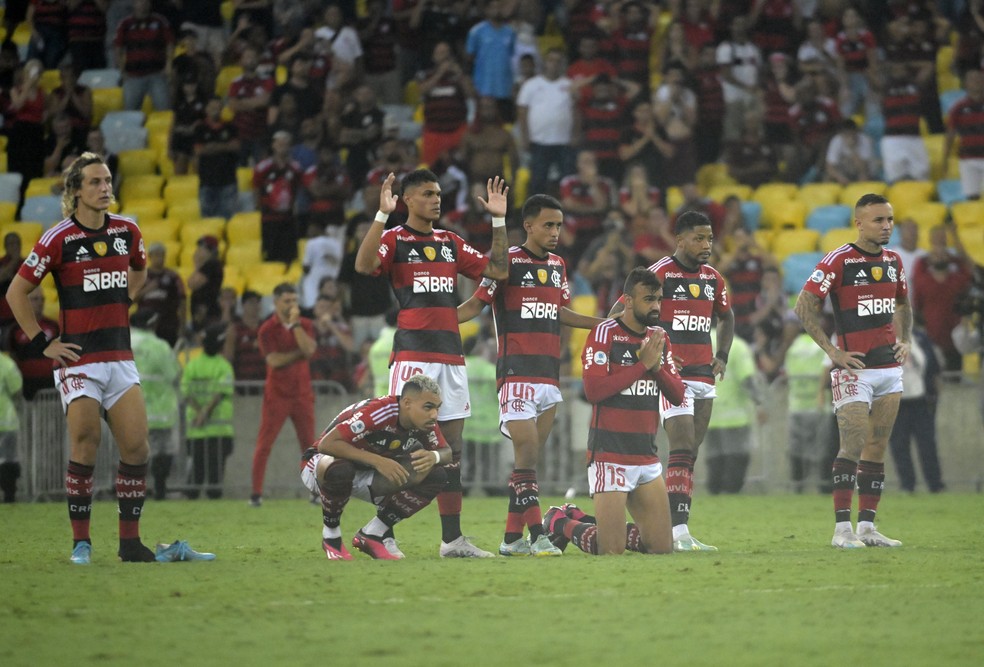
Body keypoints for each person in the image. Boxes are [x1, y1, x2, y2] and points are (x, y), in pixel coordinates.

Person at [5, 152, 158, 564]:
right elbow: (16, 293)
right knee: (86, 444)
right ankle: (81, 543)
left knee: (137, 450)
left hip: (119, 358)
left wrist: (128, 296)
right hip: (80, 361)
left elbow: (140, 270)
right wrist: (43, 343)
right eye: (94, 181)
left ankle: (129, 543)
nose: (105, 187)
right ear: (75, 191)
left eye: (107, 180)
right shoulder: (58, 238)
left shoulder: (127, 231)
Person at [355, 169, 509, 558]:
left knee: (452, 448)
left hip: (451, 359)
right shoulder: (395, 239)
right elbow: (363, 265)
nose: (436, 199)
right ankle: (380, 529)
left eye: (438, 193)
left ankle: (452, 540)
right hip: (413, 357)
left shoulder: (449, 242)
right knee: (406, 445)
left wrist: (498, 220)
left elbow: (499, 270)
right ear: (407, 200)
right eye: (427, 193)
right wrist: (380, 215)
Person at [457, 194, 601, 556]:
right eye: (548, 225)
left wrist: (605, 324)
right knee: (527, 451)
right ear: (529, 226)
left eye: (558, 225)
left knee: (527, 464)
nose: (555, 232)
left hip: (548, 376)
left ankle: (510, 540)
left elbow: (560, 311)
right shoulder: (508, 264)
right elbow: (477, 303)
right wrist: (435, 322)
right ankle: (538, 535)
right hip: (516, 372)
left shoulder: (557, 265)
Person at [794, 193, 911, 548]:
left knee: (877, 446)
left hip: (889, 368)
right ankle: (841, 530)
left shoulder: (893, 260)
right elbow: (804, 307)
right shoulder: (838, 260)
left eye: (889, 219)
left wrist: (905, 339)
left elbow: (903, 304)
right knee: (853, 443)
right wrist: (833, 352)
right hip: (853, 370)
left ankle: (867, 528)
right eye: (878, 220)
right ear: (859, 223)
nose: (886, 226)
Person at [542, 267, 684, 556]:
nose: (655, 306)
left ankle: (579, 518)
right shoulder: (604, 333)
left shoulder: (659, 337)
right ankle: (558, 521)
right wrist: (642, 366)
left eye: (658, 299)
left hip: (646, 456)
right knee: (611, 551)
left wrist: (655, 366)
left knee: (661, 548)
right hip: (609, 456)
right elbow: (593, 392)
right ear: (628, 300)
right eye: (648, 299)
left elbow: (678, 395)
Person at [619, 210, 734, 551]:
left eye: (710, 239)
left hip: (703, 374)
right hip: (670, 374)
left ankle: (669, 526)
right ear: (680, 240)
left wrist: (723, 355)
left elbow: (727, 318)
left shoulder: (713, 279)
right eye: (699, 238)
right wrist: (656, 351)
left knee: (689, 452)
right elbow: (621, 316)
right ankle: (677, 532)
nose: (706, 245)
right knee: (682, 445)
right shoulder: (658, 274)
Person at [299, 374, 451, 560]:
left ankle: (372, 534)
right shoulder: (380, 411)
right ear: (407, 403)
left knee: (436, 475)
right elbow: (326, 445)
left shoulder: (424, 423)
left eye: (437, 408)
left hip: (366, 472)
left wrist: (433, 456)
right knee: (340, 468)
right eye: (428, 407)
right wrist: (378, 461)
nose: (434, 414)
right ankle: (331, 537)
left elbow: (446, 452)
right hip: (320, 466)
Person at [249, 283, 316, 506]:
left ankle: (315, 492)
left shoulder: (304, 324)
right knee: (264, 444)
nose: (292, 305)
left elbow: (309, 350)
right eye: (287, 301)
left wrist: (295, 325)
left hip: (302, 394)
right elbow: (274, 361)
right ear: (275, 302)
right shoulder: (266, 329)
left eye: (294, 300)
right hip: (276, 395)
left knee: (310, 446)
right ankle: (256, 494)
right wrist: (298, 354)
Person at [889, 320, 945, 493]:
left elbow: (933, 367)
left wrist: (935, 394)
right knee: (899, 445)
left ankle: (935, 484)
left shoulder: (919, 338)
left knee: (927, 444)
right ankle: (907, 484)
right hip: (895, 402)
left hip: (920, 401)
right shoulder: (884, 341)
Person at [129, 311, 180, 501]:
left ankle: (132, 490)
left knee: (131, 451)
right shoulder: (159, 346)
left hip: (128, 410)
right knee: (162, 450)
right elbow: (173, 374)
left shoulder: (123, 344)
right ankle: (159, 488)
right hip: (160, 411)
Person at [181, 323, 235, 499]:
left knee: (196, 475)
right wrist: (205, 413)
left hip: (196, 429)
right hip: (219, 430)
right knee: (214, 479)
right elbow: (219, 394)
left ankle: (190, 513)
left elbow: (186, 392)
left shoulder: (193, 365)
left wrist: (199, 413)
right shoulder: (224, 366)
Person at [702, 334, 759, 495]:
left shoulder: (703, 340)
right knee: (737, 457)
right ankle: (732, 493)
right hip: (734, 415)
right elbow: (747, 378)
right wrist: (759, 402)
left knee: (714, 458)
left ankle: (714, 492)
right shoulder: (737, 345)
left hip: (709, 413)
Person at [113, 0, 174, 111]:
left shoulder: (160, 21)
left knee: (164, 110)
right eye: (139, 1)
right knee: (130, 113)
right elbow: (118, 49)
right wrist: (122, 71)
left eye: (145, 1)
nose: (142, 4)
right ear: (134, 4)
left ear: (149, 4)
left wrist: (168, 65)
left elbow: (169, 43)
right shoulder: (125, 23)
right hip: (133, 76)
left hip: (157, 75)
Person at [6, 288, 59, 400]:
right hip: (26, 388)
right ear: (25, 301)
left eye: (42, 299)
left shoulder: (54, 327)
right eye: (35, 299)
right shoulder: (15, 330)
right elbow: (12, 358)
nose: (40, 303)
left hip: (52, 387)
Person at [133, 242, 186, 347]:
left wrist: (182, 326)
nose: (160, 258)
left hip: (168, 325)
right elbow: (130, 298)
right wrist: (147, 290)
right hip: (145, 325)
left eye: (162, 255)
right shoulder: (140, 276)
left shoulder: (173, 277)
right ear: (150, 256)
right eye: (157, 255)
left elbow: (182, 300)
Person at [0, 347, 23, 502]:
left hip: (6, 423)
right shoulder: (6, 364)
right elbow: (16, 391)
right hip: (6, 422)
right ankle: (9, 496)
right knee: (8, 461)